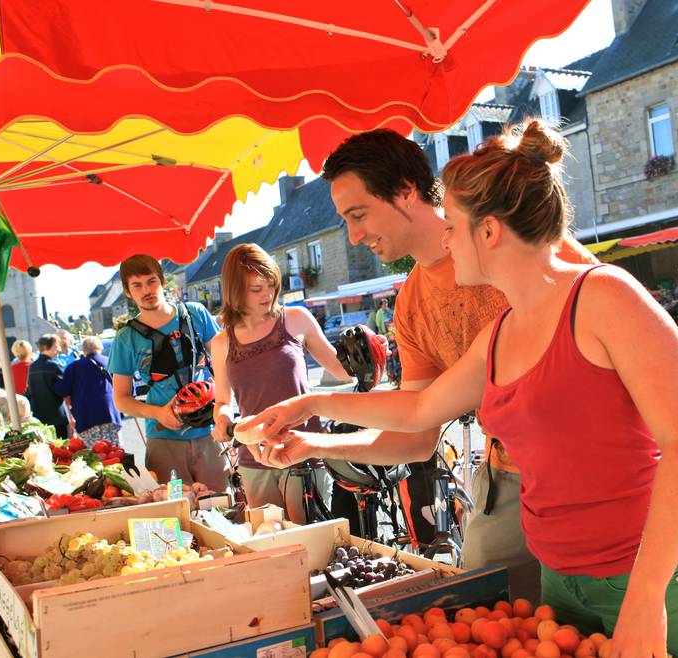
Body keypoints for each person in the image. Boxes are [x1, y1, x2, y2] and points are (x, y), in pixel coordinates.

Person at [241, 120, 678, 658]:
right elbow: (421, 409)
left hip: (644, 577)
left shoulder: (603, 295)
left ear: (489, 232)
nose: (447, 237)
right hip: (563, 583)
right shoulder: (498, 335)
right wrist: (309, 410)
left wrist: (646, 597)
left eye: (455, 226)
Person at [247, 127, 596, 600]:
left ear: (407, 193)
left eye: (358, 214)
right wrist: (312, 442)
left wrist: (311, 409)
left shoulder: (535, 256)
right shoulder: (412, 301)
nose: (352, 236)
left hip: (590, 478)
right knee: (485, 610)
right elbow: (417, 427)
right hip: (508, 478)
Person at [209, 244, 352, 524]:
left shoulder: (296, 319)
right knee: (271, 542)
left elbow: (343, 371)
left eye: (271, 284)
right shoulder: (222, 342)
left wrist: (365, 352)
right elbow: (223, 401)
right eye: (256, 289)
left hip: (304, 448)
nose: (268, 294)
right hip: (255, 457)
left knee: (311, 539)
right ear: (235, 291)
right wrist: (222, 421)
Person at [107, 254, 226, 490]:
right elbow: (120, 399)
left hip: (211, 431)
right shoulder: (126, 338)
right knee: (177, 513)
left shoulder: (196, 314)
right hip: (163, 440)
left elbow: (226, 363)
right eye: (137, 285)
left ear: (162, 282)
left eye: (151, 281)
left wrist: (225, 407)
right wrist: (158, 413)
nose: (146, 290)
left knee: (222, 505)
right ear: (128, 292)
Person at [55, 337, 123, 446]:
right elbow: (126, 385)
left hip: (86, 414)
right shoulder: (110, 362)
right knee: (114, 448)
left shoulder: (73, 367)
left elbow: (62, 389)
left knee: (94, 451)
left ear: (83, 349)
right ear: (100, 347)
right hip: (109, 410)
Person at [27, 334, 71, 439]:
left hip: (39, 416)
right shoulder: (54, 365)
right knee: (61, 448)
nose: (59, 350)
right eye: (56, 347)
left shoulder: (32, 366)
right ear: (47, 347)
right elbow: (64, 390)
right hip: (57, 416)